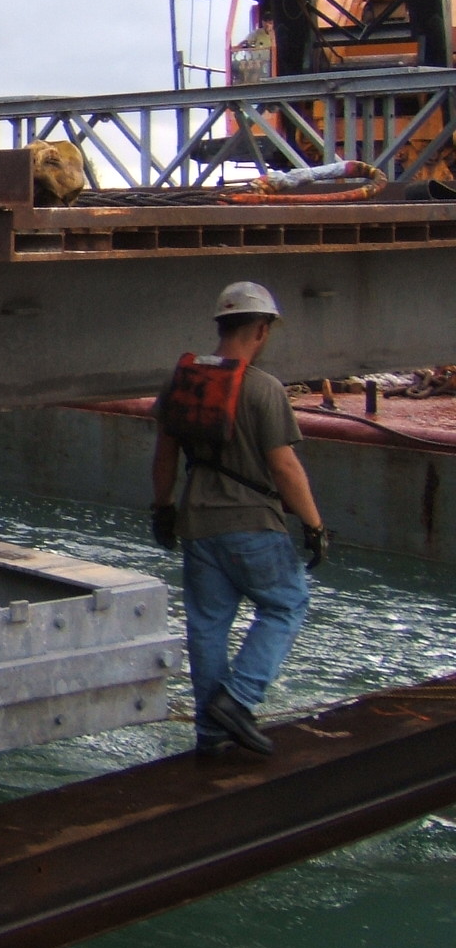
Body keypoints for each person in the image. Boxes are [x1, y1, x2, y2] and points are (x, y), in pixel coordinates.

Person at [151, 281, 328, 756]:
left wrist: (163, 508)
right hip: (252, 524)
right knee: (286, 604)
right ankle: (240, 698)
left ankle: (211, 733)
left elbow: (164, 455)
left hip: (198, 524)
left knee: (208, 625)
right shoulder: (264, 389)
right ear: (261, 329)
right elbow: (284, 465)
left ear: (220, 325)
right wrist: (313, 526)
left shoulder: (181, 381)